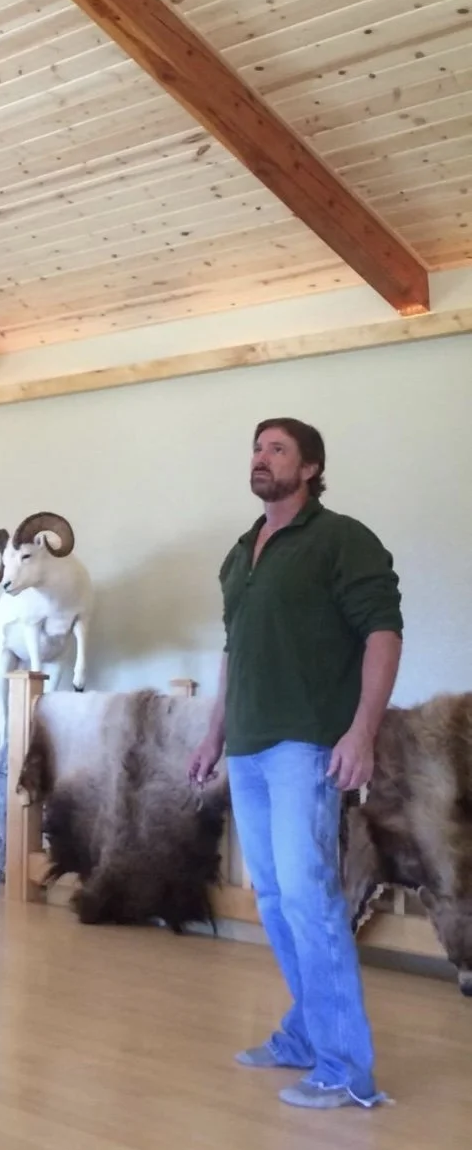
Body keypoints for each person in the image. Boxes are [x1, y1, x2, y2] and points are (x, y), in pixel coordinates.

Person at [188, 417, 402, 1109]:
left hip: (306, 745)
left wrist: (362, 732)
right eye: (256, 446)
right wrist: (213, 732)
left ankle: (347, 1070)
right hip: (249, 747)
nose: (261, 457)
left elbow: (382, 632)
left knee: (311, 901)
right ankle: (308, 1033)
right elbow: (233, 650)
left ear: (309, 468)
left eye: (277, 448)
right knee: (277, 901)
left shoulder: (342, 540)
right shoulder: (241, 551)